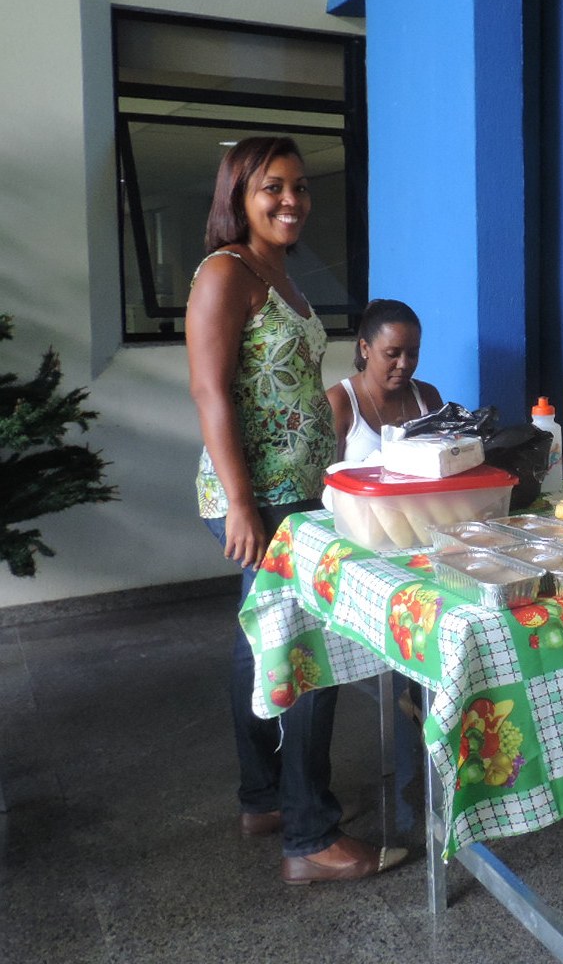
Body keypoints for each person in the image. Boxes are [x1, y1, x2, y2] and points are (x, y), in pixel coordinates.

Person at [186, 136, 406, 885]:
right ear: (238, 196)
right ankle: (311, 838)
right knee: (308, 652)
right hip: (262, 499)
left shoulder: (275, 271)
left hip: (297, 494)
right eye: (272, 187)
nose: (292, 200)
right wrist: (241, 504)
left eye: (301, 187)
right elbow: (210, 391)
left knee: (260, 644)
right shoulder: (225, 272)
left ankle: (265, 799)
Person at [327, 299, 444, 464]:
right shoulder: (339, 402)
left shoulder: (427, 397)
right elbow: (326, 475)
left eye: (412, 354)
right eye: (392, 354)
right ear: (365, 349)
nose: (403, 364)